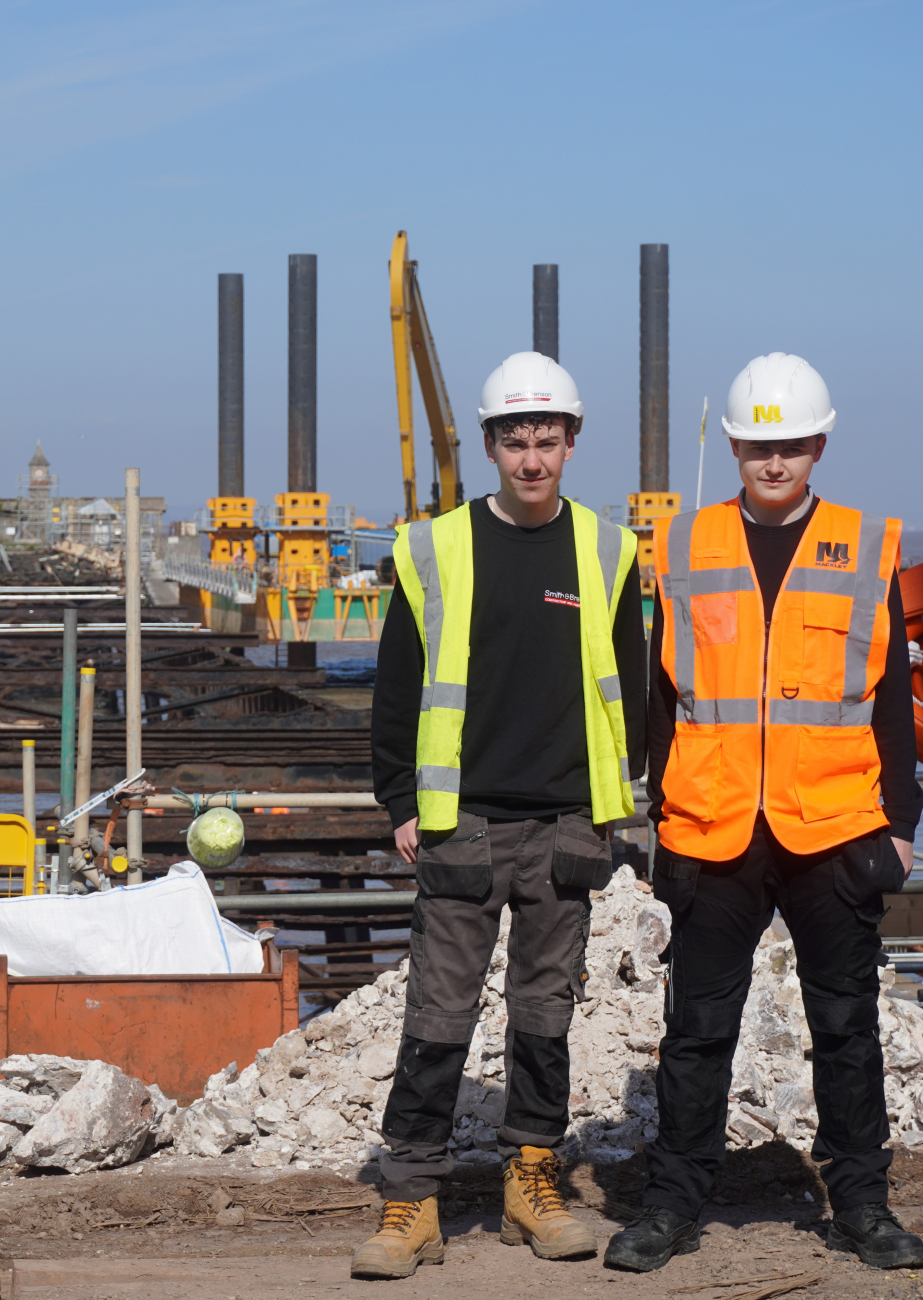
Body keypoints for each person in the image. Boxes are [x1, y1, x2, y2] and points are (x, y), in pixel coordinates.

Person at [605, 353, 923, 1272]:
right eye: (756, 447)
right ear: (737, 450)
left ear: (819, 446)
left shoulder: (866, 545)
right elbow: (660, 698)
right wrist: (661, 814)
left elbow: (892, 702)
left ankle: (861, 1205)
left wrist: (901, 826)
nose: (773, 461)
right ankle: (673, 1204)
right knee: (697, 1032)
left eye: (791, 446)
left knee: (846, 1029)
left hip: (834, 826)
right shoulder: (682, 545)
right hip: (714, 827)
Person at [352, 352, 647, 1279]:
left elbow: (631, 684)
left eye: (546, 439)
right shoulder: (434, 547)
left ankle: (531, 1177)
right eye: (515, 440)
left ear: (571, 442)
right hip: (462, 820)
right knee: (438, 1016)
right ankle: (411, 1199)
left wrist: (622, 800)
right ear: (489, 446)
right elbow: (398, 684)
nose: (531, 457)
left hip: (568, 820)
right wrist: (400, 798)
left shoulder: (608, 549)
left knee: (544, 1017)